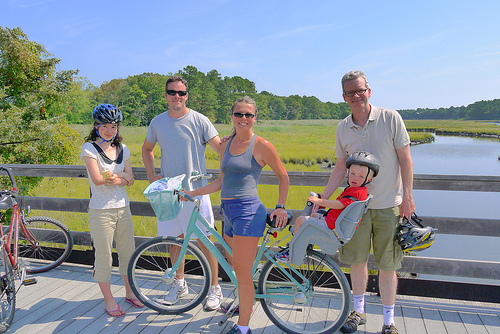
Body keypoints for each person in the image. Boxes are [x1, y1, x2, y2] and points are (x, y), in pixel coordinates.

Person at [320, 71, 415, 334]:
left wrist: (407, 198)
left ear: (369, 91)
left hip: (388, 205)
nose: (356, 95)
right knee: (357, 262)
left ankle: (388, 321)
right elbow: (340, 167)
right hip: (354, 209)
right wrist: (324, 199)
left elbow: (405, 160)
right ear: (344, 97)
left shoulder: (390, 118)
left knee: (388, 265)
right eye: (350, 92)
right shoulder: (342, 127)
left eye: (360, 90)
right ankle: (358, 312)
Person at [186, 96, 289, 334]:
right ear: (231, 116)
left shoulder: (261, 145)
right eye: (239, 114)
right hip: (228, 212)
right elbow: (221, 181)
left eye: (248, 115)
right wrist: (191, 193)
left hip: (248, 212)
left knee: (242, 274)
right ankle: (246, 301)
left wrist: (281, 205)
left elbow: (283, 176)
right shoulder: (225, 144)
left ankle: (243, 327)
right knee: (235, 264)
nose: (244, 118)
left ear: (255, 118)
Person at [142, 76, 223, 310]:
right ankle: (179, 284)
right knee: (174, 241)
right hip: (169, 193)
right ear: (166, 95)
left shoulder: (200, 120)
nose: (176, 96)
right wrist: (151, 176)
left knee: (205, 241)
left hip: (196, 192)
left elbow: (220, 149)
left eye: (181, 92)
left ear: (187, 95)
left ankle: (215, 288)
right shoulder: (157, 122)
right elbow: (147, 149)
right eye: (172, 92)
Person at [81, 104, 144, 317]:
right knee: (105, 257)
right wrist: (122, 178)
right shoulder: (89, 149)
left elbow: (131, 178)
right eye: (105, 126)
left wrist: (116, 178)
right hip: (101, 211)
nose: (110, 130)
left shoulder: (123, 148)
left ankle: (130, 293)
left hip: (123, 208)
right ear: (96, 126)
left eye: (114, 126)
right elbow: (98, 180)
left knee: (128, 253)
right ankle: (109, 300)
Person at [275, 151, 379, 263]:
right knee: (314, 214)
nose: (355, 178)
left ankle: (292, 250)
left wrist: (319, 201)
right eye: (352, 174)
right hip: (333, 222)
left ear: (368, 180)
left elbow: (339, 205)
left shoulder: (356, 193)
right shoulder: (360, 191)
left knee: (301, 220)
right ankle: (302, 243)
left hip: (332, 226)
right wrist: (322, 202)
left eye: (360, 176)